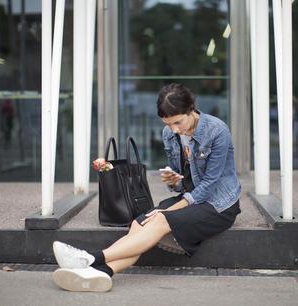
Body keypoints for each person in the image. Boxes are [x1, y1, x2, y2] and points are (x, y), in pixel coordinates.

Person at [52, 83, 242, 292]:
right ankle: (101, 273)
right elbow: (183, 180)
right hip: (191, 197)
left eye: (178, 122)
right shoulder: (169, 134)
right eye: (168, 124)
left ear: (191, 109)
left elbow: (209, 184)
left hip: (219, 205)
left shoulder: (216, 131)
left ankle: (89, 258)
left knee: (159, 218)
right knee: (139, 223)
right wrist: (174, 181)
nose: (174, 130)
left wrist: (167, 211)